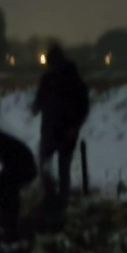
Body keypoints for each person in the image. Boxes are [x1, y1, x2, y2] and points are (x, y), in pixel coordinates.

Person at [31, 44, 90, 208]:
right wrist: (36, 106)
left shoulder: (73, 80)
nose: (50, 67)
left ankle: (61, 200)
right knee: (45, 165)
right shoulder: (49, 79)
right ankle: (50, 196)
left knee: (62, 168)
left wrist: (74, 127)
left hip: (66, 132)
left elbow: (83, 107)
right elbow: (40, 99)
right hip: (50, 130)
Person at [0, 121, 38, 241]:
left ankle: (10, 227)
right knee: (4, 184)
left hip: (24, 169)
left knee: (4, 184)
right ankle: (8, 222)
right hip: (24, 168)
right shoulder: (0, 140)